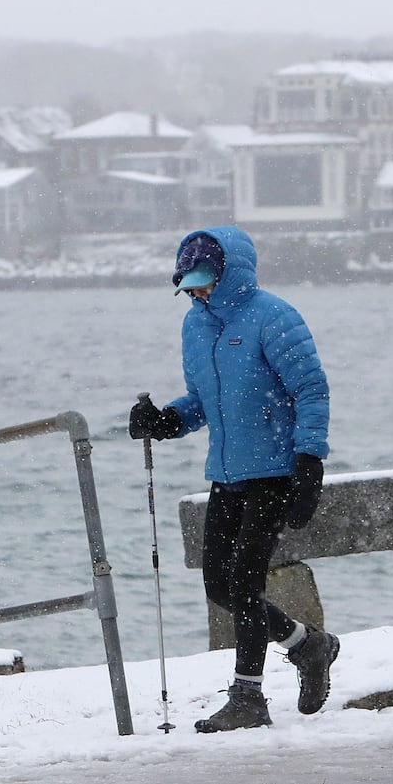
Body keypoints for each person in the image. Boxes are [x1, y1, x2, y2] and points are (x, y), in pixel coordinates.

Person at [130, 225, 336, 733]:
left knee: (244, 583)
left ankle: (248, 697)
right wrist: (167, 421)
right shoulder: (195, 327)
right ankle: (309, 646)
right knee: (220, 585)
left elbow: (312, 391)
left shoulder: (274, 317)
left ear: (231, 273)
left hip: (275, 471)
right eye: (189, 283)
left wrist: (310, 463)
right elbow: (202, 402)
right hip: (227, 472)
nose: (197, 292)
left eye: (204, 280)